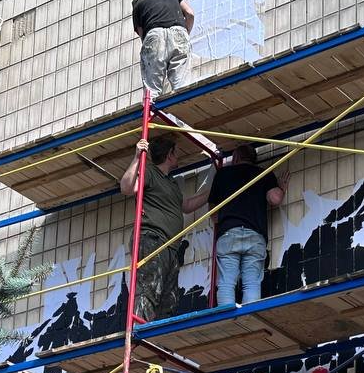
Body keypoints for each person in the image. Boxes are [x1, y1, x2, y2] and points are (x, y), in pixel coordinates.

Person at [119, 135, 211, 321]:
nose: (179, 156)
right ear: (169, 155)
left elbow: (186, 205)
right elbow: (127, 187)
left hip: (170, 246)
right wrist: (137, 157)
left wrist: (213, 191)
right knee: (148, 288)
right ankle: (139, 327)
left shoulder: (171, 183)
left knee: (168, 299)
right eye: (176, 153)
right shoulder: (149, 172)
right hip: (152, 239)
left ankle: (158, 331)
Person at [207, 143, 287, 307]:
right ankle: (249, 317)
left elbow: (214, 214)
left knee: (226, 283)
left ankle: (226, 317)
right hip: (255, 235)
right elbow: (275, 199)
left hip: (228, 233)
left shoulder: (222, 174)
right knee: (252, 283)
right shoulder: (263, 173)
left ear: (235, 157)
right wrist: (282, 188)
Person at [131, 0, 195, 98]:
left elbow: (142, 34)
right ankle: (183, 101)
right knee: (181, 83)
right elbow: (190, 13)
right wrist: (186, 33)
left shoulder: (138, 6)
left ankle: (151, 105)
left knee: (152, 88)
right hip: (178, 31)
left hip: (154, 34)